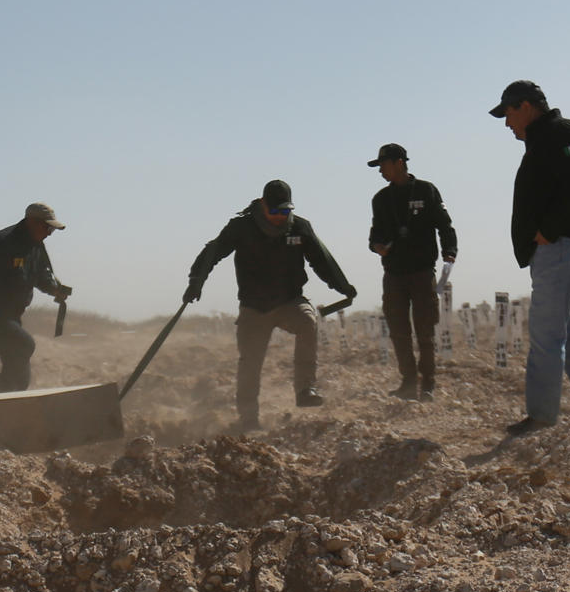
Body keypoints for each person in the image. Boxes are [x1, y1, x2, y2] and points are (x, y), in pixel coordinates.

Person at [185, 179, 356, 430]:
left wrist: (343, 286)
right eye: (275, 211)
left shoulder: (299, 228)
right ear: (263, 205)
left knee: (308, 322)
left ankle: (305, 389)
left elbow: (322, 260)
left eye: (285, 211)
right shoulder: (241, 227)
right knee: (250, 362)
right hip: (254, 306)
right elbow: (214, 251)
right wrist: (196, 281)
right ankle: (249, 418)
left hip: (290, 301)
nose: (279, 217)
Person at [491, 79, 570, 434]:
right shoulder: (541, 142)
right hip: (557, 247)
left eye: (508, 113)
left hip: (560, 247)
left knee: (546, 333)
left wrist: (549, 231)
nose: (506, 123)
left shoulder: (560, 132)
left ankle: (541, 417)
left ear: (526, 106)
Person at [367, 143, 457, 401]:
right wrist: (377, 246)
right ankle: (408, 382)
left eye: (383, 165)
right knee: (398, 330)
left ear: (398, 162)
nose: (381, 171)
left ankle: (428, 383)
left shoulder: (426, 191)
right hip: (394, 274)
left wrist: (449, 252)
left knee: (425, 330)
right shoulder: (381, 199)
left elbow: (445, 225)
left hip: (421, 272)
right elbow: (375, 234)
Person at [0, 203, 72, 393]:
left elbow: (41, 275)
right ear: (31, 222)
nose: (49, 233)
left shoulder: (36, 246)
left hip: (12, 316)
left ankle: (3, 407)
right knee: (24, 345)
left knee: (20, 372)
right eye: (47, 227)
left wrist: (56, 290)